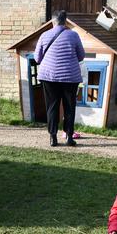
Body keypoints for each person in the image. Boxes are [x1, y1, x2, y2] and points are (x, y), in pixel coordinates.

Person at [35, 10, 84, 147]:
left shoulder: (44, 35)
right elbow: (81, 56)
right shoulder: (73, 35)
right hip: (70, 77)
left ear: (52, 21)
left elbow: (37, 58)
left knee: (52, 106)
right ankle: (69, 138)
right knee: (69, 107)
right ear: (65, 21)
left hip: (48, 76)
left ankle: (53, 138)